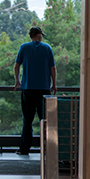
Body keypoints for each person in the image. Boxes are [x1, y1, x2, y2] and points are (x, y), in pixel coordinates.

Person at [14, 26, 57, 155]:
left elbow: (16, 66)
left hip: (27, 89)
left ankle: (24, 149)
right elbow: (53, 68)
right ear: (38, 36)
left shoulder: (24, 47)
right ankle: (47, 149)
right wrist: (54, 84)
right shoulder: (47, 48)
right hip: (44, 90)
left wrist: (17, 81)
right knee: (45, 121)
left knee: (27, 121)